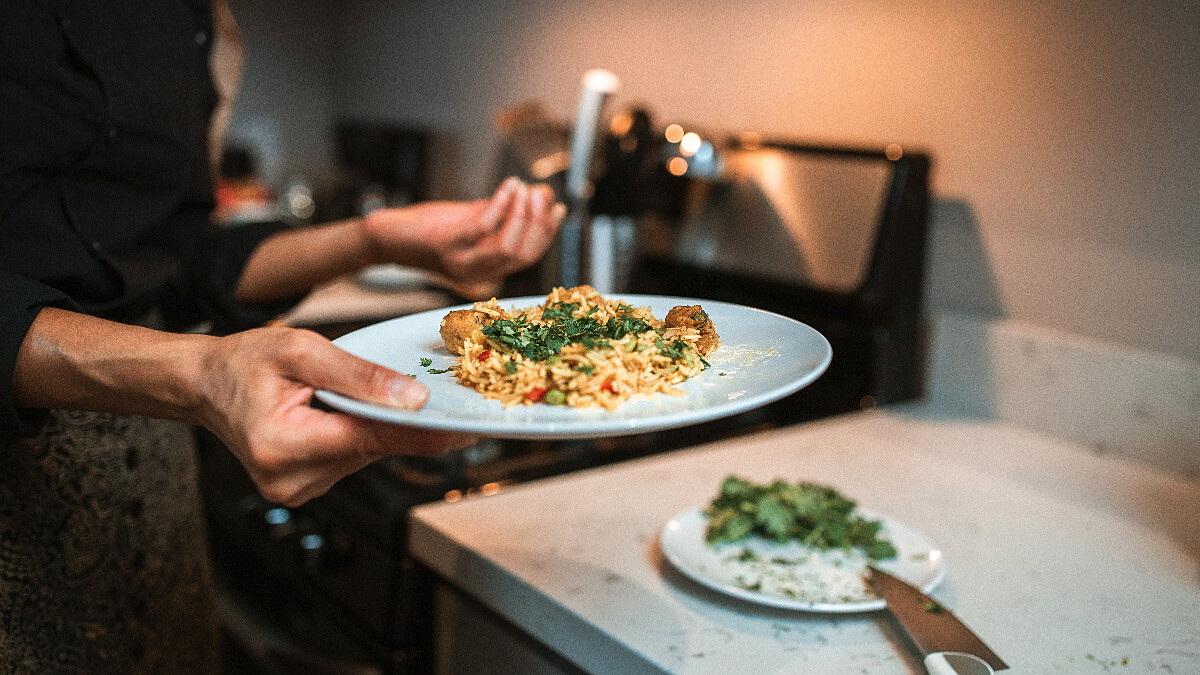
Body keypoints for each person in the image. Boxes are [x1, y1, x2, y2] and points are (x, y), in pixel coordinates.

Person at [0, 0, 564, 671]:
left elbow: (176, 254)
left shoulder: (189, 14)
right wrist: (196, 372)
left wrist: (378, 238)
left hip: (150, 462)